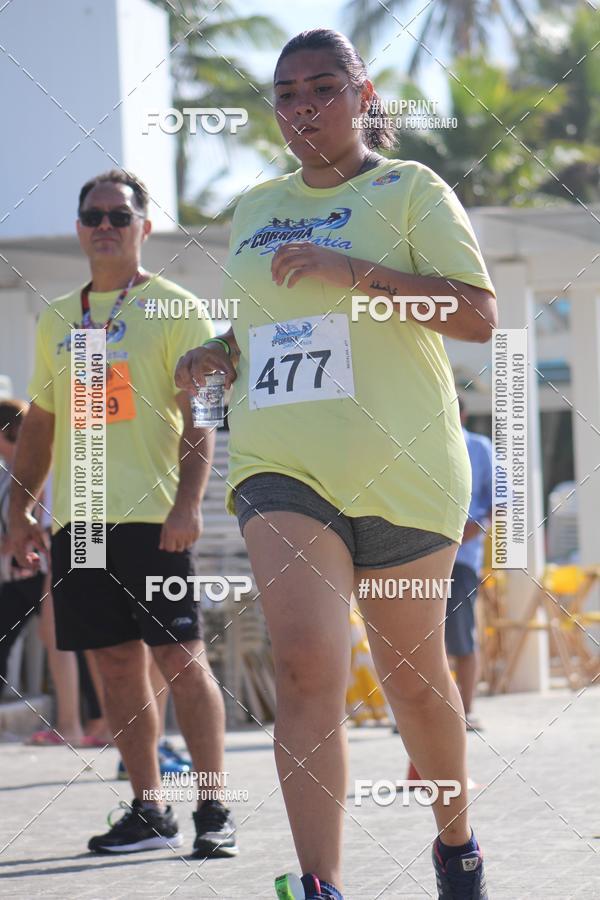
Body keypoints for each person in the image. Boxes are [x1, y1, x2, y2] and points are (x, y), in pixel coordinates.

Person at [176, 28, 496, 900]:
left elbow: (475, 317)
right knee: (306, 663)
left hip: (406, 466)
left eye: (323, 86)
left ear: (363, 95)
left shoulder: (410, 189)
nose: (303, 105)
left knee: (414, 684)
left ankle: (456, 842)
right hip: (283, 465)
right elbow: (263, 329)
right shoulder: (252, 207)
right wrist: (215, 352)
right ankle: (320, 884)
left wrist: (349, 269)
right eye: (285, 93)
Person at [8, 170, 236, 857]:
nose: (105, 226)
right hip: (78, 523)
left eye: (118, 216)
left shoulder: (177, 309)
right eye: (93, 216)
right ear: (79, 229)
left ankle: (215, 809)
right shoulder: (57, 316)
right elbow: (41, 427)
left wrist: (188, 503)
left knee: (180, 659)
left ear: (143, 228)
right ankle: (148, 809)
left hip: (153, 519)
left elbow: (204, 414)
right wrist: (19, 512)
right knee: (113, 664)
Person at [445, 396, 493, 732]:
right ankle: (425, 715)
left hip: (460, 560)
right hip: (416, 558)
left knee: (461, 638)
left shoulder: (479, 447)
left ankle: (465, 711)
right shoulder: (419, 445)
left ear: (460, 413)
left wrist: (468, 533)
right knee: (419, 640)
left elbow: (499, 503)